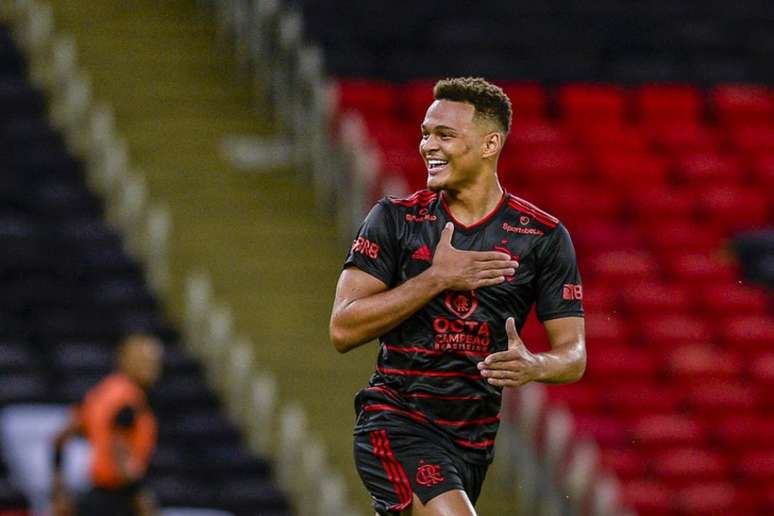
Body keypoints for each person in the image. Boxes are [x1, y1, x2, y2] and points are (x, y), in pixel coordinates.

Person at [329, 77, 586, 516]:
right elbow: (342, 327)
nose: (428, 145)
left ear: (489, 144)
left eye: (444, 135)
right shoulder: (394, 220)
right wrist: (436, 278)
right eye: (426, 133)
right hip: (396, 419)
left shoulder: (541, 237)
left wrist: (535, 365)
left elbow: (574, 354)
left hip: (473, 439)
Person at [51, 334, 163, 516]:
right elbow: (118, 444)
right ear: (124, 360)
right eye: (144, 360)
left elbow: (59, 440)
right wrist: (139, 496)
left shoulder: (100, 393)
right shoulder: (130, 398)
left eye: (155, 360)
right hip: (119, 498)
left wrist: (58, 492)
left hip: (95, 499)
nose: (152, 367)